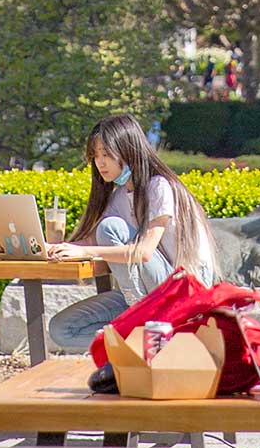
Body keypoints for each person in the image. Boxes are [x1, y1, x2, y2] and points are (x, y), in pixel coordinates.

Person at [48, 114, 220, 349]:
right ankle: (139, 336)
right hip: (146, 294)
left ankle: (141, 324)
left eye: (106, 154)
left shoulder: (159, 186)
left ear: (128, 150)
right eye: (95, 156)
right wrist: (54, 248)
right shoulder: (119, 195)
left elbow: (144, 253)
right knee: (61, 329)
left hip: (184, 293)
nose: (100, 163)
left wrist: (87, 250)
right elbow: (94, 239)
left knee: (111, 228)